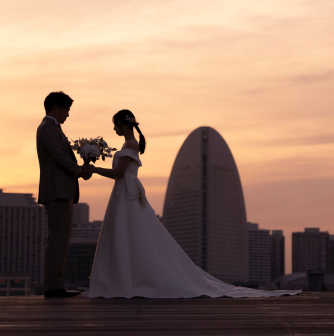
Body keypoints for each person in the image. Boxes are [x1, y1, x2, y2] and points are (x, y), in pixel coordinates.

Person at [83, 109, 299, 298]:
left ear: (123, 124)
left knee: (129, 233)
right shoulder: (128, 144)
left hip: (125, 192)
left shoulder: (131, 144)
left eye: (115, 125)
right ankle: (124, 280)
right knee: (126, 234)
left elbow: (119, 172)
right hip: (124, 192)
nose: (114, 129)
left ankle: (127, 281)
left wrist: (94, 169)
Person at [36, 91, 96, 298]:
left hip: (62, 191)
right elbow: (60, 156)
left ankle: (56, 284)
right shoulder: (47, 128)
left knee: (61, 240)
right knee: (57, 240)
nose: (68, 114)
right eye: (66, 110)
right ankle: (53, 286)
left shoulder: (53, 128)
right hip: (57, 191)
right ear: (55, 108)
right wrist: (79, 171)